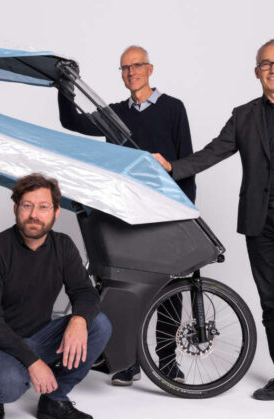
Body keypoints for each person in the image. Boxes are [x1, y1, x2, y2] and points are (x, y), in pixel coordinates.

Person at [152, 39, 274, 416]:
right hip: (261, 222)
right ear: (257, 71)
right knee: (272, 305)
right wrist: (173, 167)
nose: (273, 69)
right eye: (265, 64)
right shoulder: (244, 115)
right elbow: (213, 151)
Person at [57, 45, 192, 386]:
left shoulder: (173, 108)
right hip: (127, 212)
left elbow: (186, 161)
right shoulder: (115, 113)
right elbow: (71, 121)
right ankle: (128, 361)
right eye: (125, 68)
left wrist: (187, 212)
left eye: (137, 66)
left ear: (150, 69)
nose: (131, 72)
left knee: (169, 287)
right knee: (127, 287)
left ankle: (167, 361)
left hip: (166, 211)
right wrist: (63, 84)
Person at [0, 174, 112, 419]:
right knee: (10, 384)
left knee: (99, 324)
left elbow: (85, 292)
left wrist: (78, 320)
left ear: (55, 212)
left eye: (43, 207)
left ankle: (54, 399)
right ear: (16, 209)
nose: (34, 214)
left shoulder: (63, 246)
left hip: (38, 337)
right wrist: (34, 363)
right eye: (27, 206)